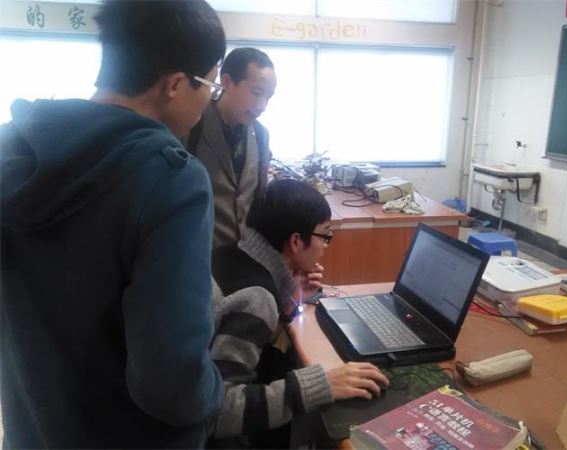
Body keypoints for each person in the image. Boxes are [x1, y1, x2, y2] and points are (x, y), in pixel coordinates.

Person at [0, 1, 226, 447]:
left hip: (33, 430)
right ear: (175, 85)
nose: (208, 101)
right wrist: (218, 389)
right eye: (210, 85)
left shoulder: (14, 149)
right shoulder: (171, 178)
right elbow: (171, 385)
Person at [209, 179, 389, 448]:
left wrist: (292, 298)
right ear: (295, 241)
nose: (326, 245)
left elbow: (249, 340)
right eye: (325, 235)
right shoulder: (256, 297)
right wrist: (322, 384)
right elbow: (218, 410)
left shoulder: (228, 253)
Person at [186, 47, 276, 250]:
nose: (262, 105)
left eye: (268, 97)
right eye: (256, 93)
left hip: (246, 255)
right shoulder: (192, 126)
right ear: (226, 82)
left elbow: (257, 197)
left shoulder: (261, 135)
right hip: (200, 254)